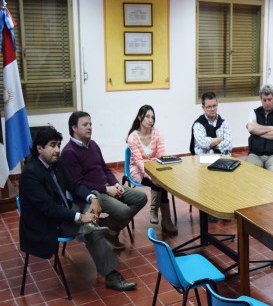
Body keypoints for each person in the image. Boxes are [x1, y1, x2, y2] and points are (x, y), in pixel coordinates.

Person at [19, 127, 136, 292]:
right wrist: (79, 217)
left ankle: (91, 226)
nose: (57, 150)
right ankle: (110, 272)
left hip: (63, 211)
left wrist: (92, 198)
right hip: (46, 223)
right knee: (91, 231)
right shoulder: (31, 174)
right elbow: (49, 208)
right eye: (52, 145)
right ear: (39, 148)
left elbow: (74, 185)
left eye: (59, 145)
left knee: (93, 195)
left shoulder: (56, 163)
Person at [61, 112, 148, 250]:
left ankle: (106, 229)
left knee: (141, 197)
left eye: (90, 124)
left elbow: (105, 168)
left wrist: (116, 184)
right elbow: (79, 184)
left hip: (108, 187)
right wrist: (107, 189)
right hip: (92, 194)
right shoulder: (69, 152)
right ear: (74, 128)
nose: (89, 127)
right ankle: (104, 229)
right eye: (85, 124)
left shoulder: (93, 144)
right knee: (125, 212)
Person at [126, 104, 178, 235]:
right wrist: (152, 176)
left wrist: (159, 172)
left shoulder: (157, 133)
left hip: (155, 167)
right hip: (138, 169)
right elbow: (138, 161)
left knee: (161, 181)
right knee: (157, 182)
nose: (151, 120)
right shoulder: (132, 137)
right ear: (139, 117)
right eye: (147, 116)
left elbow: (161, 155)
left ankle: (159, 214)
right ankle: (164, 218)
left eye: (152, 117)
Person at [246, 84, 273, 175]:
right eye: (264, 100)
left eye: (269, 99)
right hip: (255, 154)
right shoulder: (254, 113)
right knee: (248, 174)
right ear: (260, 99)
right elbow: (251, 128)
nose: (267, 102)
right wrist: (271, 128)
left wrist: (257, 131)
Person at [190, 91, 232, 156]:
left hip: (223, 160)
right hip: (203, 162)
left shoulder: (224, 124)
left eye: (214, 106)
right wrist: (220, 139)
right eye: (209, 107)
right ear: (203, 108)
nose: (212, 109)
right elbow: (203, 143)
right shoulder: (198, 124)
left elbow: (229, 145)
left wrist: (211, 145)